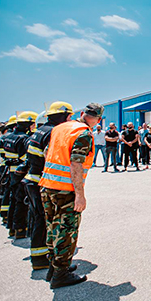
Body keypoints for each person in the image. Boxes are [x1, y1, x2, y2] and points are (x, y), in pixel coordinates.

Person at [39, 103, 103, 289]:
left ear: (82, 113)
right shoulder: (83, 133)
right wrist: (80, 195)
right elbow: (76, 164)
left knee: (52, 227)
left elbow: (46, 152)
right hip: (65, 190)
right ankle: (61, 274)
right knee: (67, 230)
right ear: (98, 119)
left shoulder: (60, 128)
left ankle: (53, 267)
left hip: (47, 185)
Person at [20, 102, 73, 272]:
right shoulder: (53, 133)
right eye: (69, 116)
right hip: (41, 181)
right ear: (64, 116)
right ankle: (42, 259)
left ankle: (41, 257)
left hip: (32, 178)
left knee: (38, 218)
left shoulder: (40, 131)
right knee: (44, 220)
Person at [2, 111, 38, 239]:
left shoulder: (9, 137)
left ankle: (11, 227)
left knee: (13, 199)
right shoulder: (23, 139)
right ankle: (20, 228)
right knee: (22, 202)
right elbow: (25, 159)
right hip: (21, 173)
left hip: (11, 172)